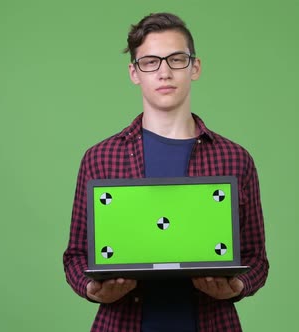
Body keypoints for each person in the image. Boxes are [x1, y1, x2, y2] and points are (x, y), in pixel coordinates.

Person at [63, 12, 269, 332]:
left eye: (176, 59)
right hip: (122, 323)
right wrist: (93, 289)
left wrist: (237, 286)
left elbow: (256, 258)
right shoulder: (100, 158)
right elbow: (75, 256)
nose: (164, 72)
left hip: (212, 322)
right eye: (150, 62)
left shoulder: (235, 158)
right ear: (134, 73)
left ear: (194, 67)